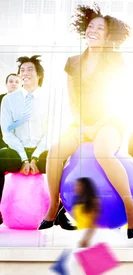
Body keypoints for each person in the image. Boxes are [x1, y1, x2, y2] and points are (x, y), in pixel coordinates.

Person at [40, 4, 133, 239]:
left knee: (102, 151)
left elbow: (119, 98)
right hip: (82, 122)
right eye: (90, 26)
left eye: (100, 28)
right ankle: (54, 206)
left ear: (108, 36)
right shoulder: (73, 62)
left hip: (111, 120)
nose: (92, 30)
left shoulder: (116, 60)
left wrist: (96, 127)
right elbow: (72, 99)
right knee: (55, 152)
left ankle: (131, 210)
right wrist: (81, 125)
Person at [0, 57, 75, 228]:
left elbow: (53, 131)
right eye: (22, 70)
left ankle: (60, 214)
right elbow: (7, 132)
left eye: (29, 70)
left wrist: (34, 157)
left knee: (62, 162)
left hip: (42, 150)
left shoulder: (51, 98)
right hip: (16, 149)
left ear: (39, 75)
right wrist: (23, 158)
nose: (25, 73)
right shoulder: (9, 100)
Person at [64, 177, 110, 275]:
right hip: (81, 236)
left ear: (85, 186)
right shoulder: (79, 201)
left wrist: (86, 238)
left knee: (96, 273)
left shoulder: (94, 201)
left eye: (78, 185)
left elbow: (93, 222)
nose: (75, 188)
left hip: (91, 237)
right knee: (73, 266)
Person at [0, 73, 22, 149]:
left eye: (17, 82)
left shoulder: (24, 102)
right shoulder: (1, 99)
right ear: (6, 84)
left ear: (21, 85)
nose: (13, 84)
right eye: (11, 81)